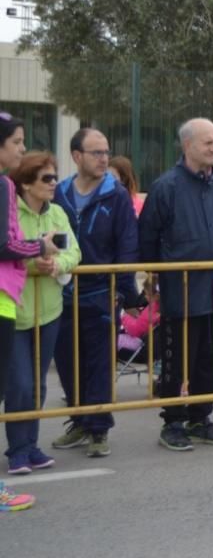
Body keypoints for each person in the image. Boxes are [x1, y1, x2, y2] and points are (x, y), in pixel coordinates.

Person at [139, 119, 213, 451]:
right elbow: (147, 237)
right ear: (187, 146)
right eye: (207, 143)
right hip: (180, 292)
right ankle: (174, 422)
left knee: (211, 358)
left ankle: (201, 417)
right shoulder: (166, 187)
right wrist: (154, 278)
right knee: (178, 359)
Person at [52, 128, 139, 458]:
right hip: (61, 294)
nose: (104, 158)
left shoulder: (115, 195)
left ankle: (99, 429)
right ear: (77, 157)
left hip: (101, 292)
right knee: (67, 362)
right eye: (96, 152)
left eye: (106, 152)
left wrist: (126, 292)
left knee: (100, 364)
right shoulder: (58, 193)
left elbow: (127, 246)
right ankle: (79, 420)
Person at [6, 152, 81, 475]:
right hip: (15, 311)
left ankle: (31, 446)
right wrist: (33, 259)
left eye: (55, 177)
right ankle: (18, 451)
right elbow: (6, 250)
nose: (54, 184)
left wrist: (57, 264)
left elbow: (74, 251)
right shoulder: (10, 214)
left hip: (50, 311)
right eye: (46, 179)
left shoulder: (59, 214)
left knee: (38, 385)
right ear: (25, 184)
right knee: (20, 384)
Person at [0, 114, 59, 511]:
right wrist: (40, 246)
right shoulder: (3, 184)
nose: (21, 149)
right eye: (17, 141)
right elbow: (5, 244)